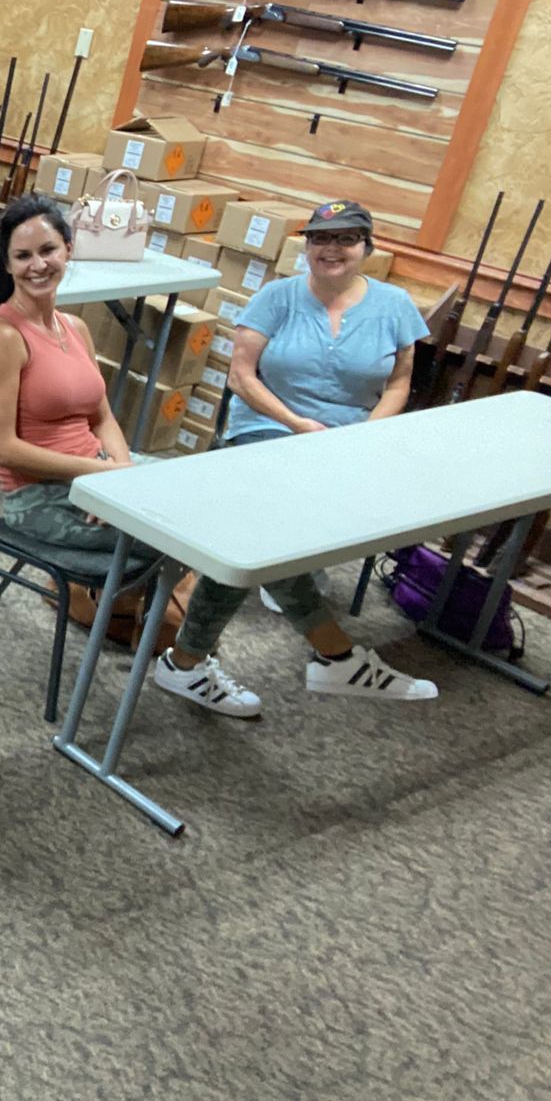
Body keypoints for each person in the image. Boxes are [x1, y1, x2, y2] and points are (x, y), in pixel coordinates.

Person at [151, 199, 437, 716]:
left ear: (366, 248)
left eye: (346, 239)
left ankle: (185, 663)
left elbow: (399, 382)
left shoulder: (394, 305)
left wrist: (364, 439)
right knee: (262, 533)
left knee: (250, 538)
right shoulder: (275, 297)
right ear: (306, 247)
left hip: (348, 443)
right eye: (321, 239)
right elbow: (242, 376)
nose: (332, 249)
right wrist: (298, 425)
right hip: (265, 430)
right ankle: (336, 656)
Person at [0, 194, 144, 548]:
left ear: (68, 250)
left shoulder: (75, 327)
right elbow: (1, 450)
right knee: (172, 534)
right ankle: (112, 598)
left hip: (97, 471)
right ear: (7, 265)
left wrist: (117, 479)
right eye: (23, 256)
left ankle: (118, 599)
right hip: (37, 496)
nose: (38, 264)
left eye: (48, 250)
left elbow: (102, 417)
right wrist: (101, 475)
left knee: (196, 500)